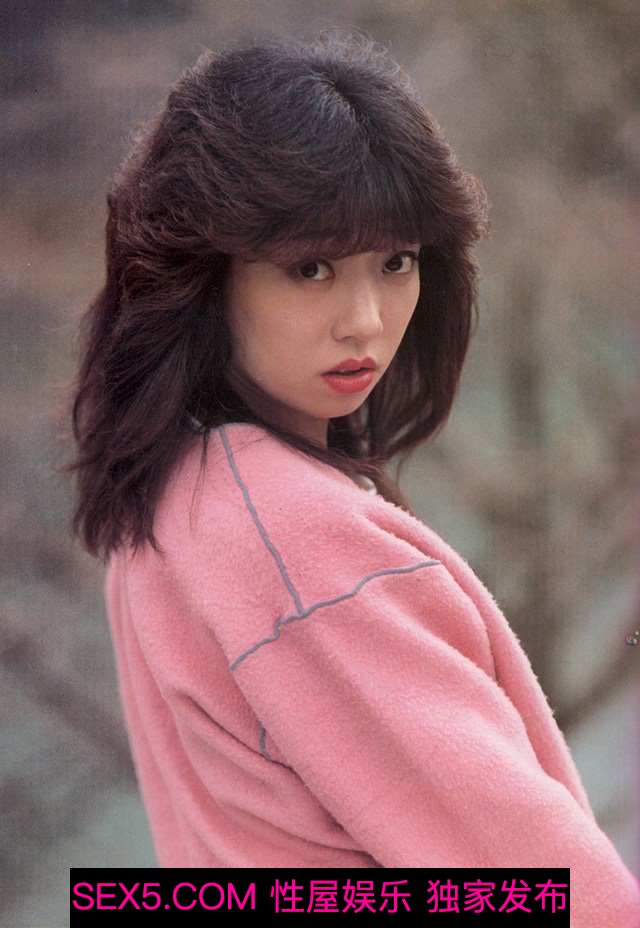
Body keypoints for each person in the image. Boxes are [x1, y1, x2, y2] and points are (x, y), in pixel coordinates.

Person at [63, 28, 640, 926]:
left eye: (396, 262)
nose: (365, 320)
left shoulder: (171, 494)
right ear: (203, 276)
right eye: (311, 269)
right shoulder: (297, 541)